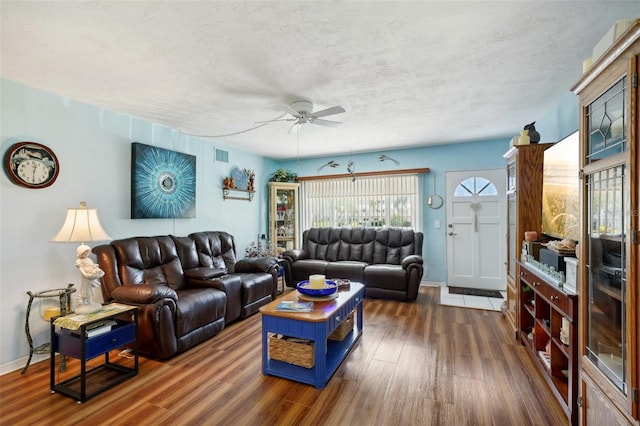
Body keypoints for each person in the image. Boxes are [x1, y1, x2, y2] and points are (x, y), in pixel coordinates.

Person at [75, 244, 105, 312]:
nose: (87, 254)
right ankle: (84, 302)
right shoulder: (79, 261)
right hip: (86, 278)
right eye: (85, 253)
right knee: (86, 290)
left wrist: (96, 268)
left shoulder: (88, 259)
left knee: (91, 290)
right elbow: (81, 269)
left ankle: (90, 302)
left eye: (88, 252)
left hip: (92, 275)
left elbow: (92, 266)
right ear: (81, 253)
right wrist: (85, 274)